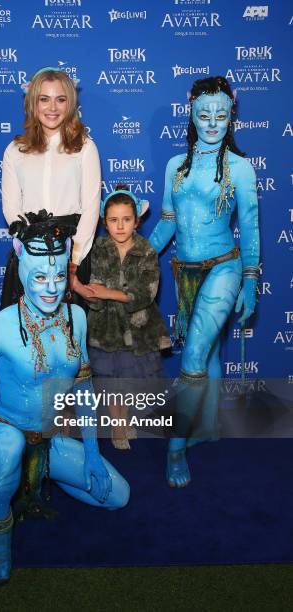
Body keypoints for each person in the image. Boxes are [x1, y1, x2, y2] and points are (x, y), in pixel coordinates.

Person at [0, 211, 130, 584]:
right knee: (10, 447)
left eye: (59, 276)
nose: (50, 287)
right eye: (39, 277)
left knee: (117, 496)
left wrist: (93, 455)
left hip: (47, 439)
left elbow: (83, 391)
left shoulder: (76, 318)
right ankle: (0, 530)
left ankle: (40, 474)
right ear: (21, 272)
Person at [149, 76, 260, 487]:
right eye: (203, 114)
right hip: (186, 273)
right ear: (190, 110)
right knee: (209, 353)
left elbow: (249, 225)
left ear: (233, 112)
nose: (212, 123)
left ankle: (176, 449)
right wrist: (138, 253)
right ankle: (208, 427)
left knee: (193, 358)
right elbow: (167, 223)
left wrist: (249, 279)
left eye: (221, 115)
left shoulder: (241, 168)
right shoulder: (174, 167)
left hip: (224, 268)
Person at [1, 67, 101, 306]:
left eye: (60, 99)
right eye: (44, 99)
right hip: (28, 251)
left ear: (70, 104)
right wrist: (31, 251)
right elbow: (11, 208)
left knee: (68, 334)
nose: (52, 108)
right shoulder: (15, 150)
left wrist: (73, 256)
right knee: (25, 336)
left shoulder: (85, 147)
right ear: (32, 103)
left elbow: (90, 208)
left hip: (71, 249)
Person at [85, 186, 171, 449]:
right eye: (113, 220)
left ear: (137, 221)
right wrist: (92, 294)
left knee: (128, 381)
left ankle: (126, 420)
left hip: (137, 329)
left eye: (126, 219)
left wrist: (107, 292)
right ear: (104, 222)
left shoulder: (146, 251)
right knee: (111, 382)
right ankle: (117, 425)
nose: (120, 226)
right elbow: (94, 287)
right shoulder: (97, 249)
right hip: (105, 328)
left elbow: (146, 293)